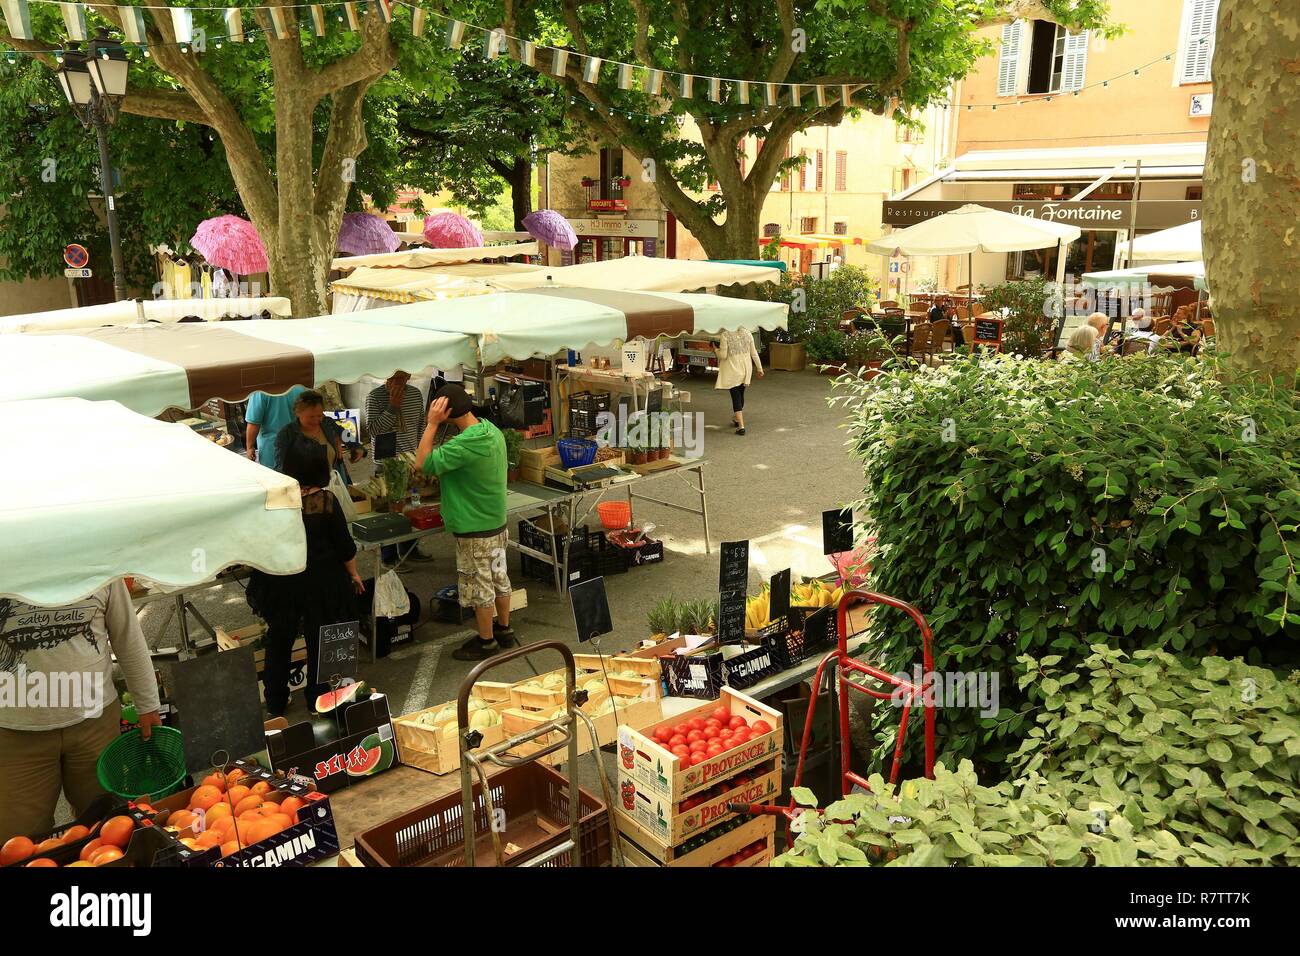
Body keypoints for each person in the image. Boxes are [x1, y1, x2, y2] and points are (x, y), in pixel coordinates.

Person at [0, 581, 162, 841]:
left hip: (95, 723)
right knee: (20, 842)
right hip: (16, 732)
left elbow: (127, 635)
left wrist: (148, 704)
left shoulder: (96, 556)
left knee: (107, 827)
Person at [245, 438, 364, 717]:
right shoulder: (325, 502)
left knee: (279, 639)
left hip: (281, 580)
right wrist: (355, 574)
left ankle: (275, 700)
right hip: (321, 582)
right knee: (320, 638)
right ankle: (318, 699)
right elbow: (345, 547)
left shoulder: (273, 501)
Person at [417, 384, 517, 662]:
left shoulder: (464, 444)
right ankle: (504, 629)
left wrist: (432, 424)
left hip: (474, 530)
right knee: (499, 577)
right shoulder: (490, 430)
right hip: (496, 523)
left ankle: (485, 642)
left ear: (445, 411)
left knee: (479, 586)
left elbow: (422, 463)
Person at [275, 389, 358, 486]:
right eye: (311, 417)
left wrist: (356, 446)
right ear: (298, 413)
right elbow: (280, 467)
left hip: (334, 484)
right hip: (305, 490)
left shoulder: (327, 423)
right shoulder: (286, 434)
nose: (316, 420)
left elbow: (344, 434)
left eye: (319, 415)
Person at [364, 371, 424, 461]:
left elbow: (421, 426)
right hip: (385, 459)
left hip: (411, 457)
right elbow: (372, 430)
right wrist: (393, 407)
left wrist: (421, 451)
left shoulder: (415, 394)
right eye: (391, 378)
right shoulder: (374, 396)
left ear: (408, 376)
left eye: (399, 378)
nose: (395, 382)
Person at [714, 329, 764, 436]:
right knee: (740, 394)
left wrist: (715, 350)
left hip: (732, 370)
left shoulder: (725, 335)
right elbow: (754, 353)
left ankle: (741, 427)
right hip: (746, 369)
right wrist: (759, 368)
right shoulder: (747, 333)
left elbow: (723, 355)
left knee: (736, 396)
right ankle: (737, 419)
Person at [245, 385, 306, 468]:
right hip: (297, 447)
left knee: (275, 479)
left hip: (271, 453)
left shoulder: (260, 391)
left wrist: (250, 447)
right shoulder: (299, 386)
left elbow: (253, 423)